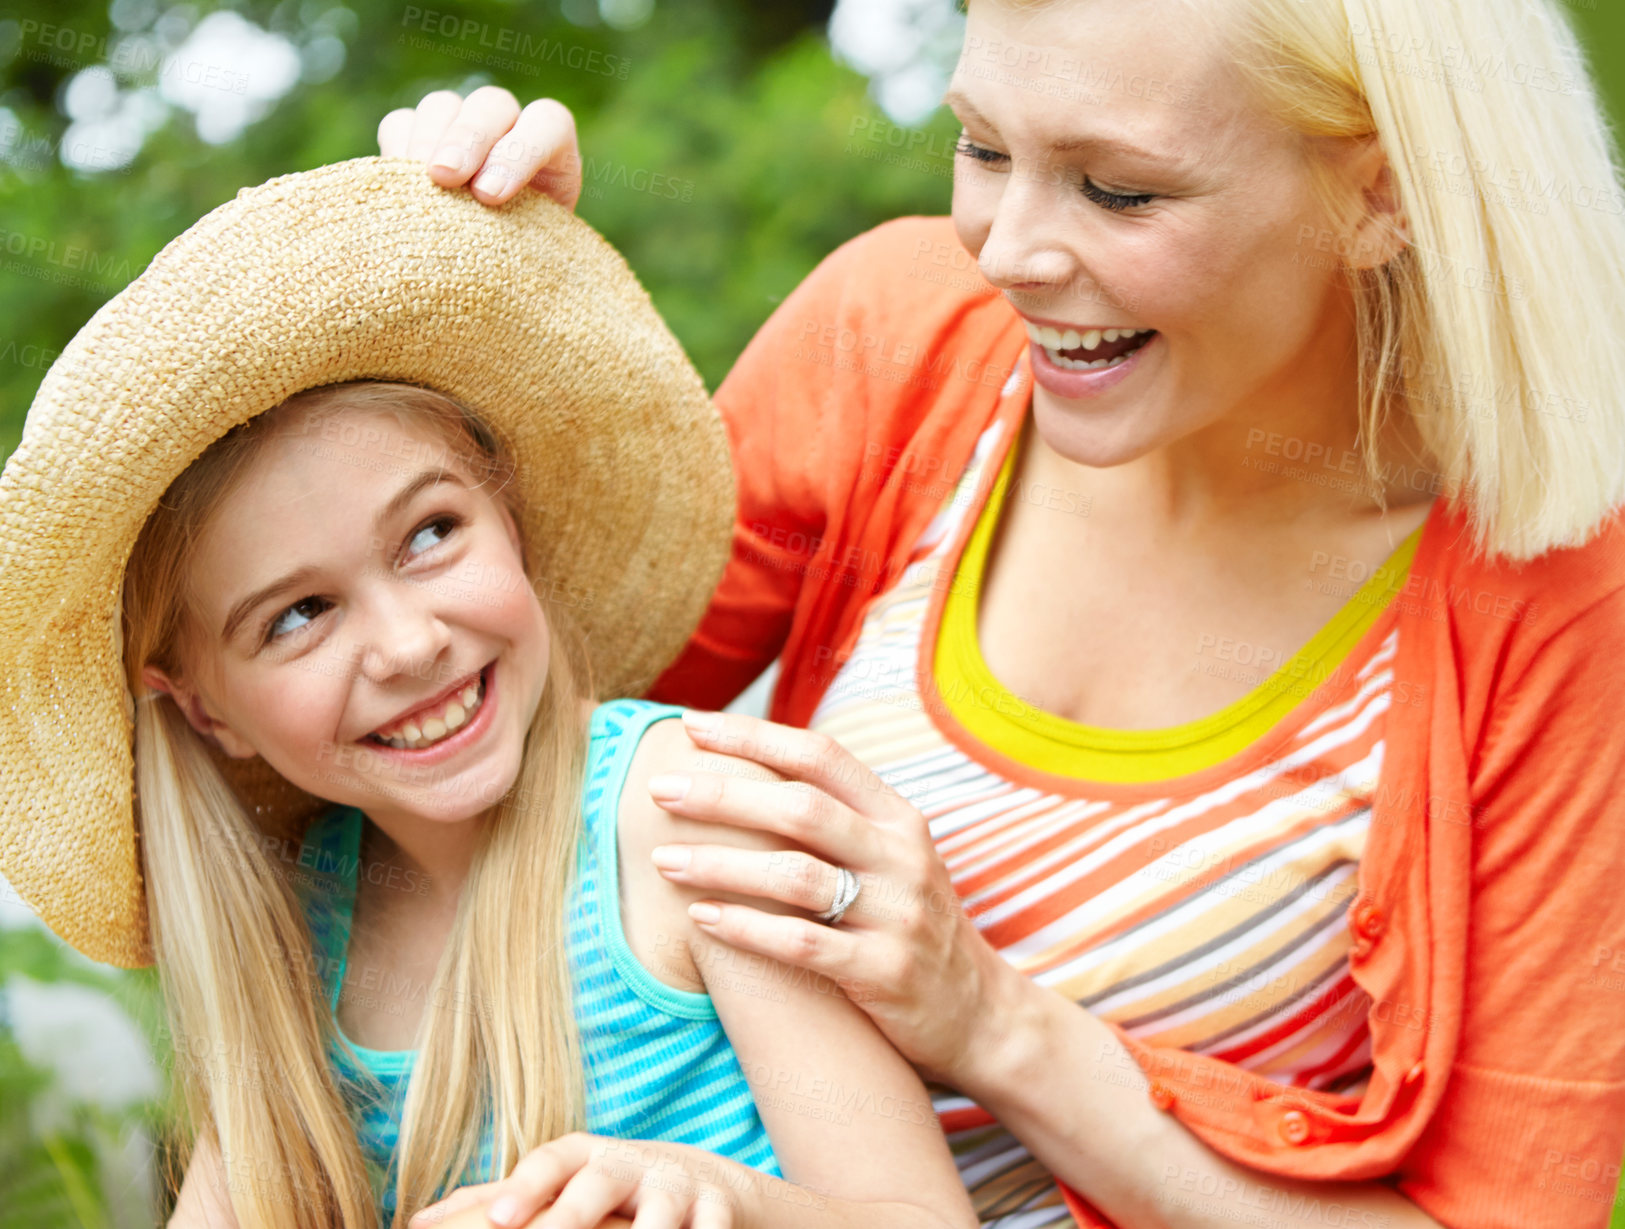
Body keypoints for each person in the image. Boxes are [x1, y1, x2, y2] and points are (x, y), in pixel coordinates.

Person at [377, 0, 1625, 1226]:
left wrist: (989, 1019)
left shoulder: (1567, 605)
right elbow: (475, 758)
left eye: (1118, 190)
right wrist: (488, 342)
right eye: (982, 149)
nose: (1005, 248)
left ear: (1380, 191)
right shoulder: (896, 334)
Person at [0, 158, 977, 1229]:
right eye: (297, 614)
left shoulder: (680, 816)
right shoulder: (296, 935)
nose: (409, 642)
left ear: (505, 513)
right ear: (206, 709)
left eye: (429, 534)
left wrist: (719, 1197)